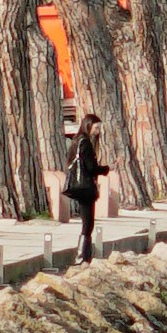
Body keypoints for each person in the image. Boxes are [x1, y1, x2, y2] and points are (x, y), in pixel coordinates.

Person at [63, 105, 105, 263]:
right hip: (85, 187)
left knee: (87, 223)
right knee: (88, 224)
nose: (98, 131)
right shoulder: (85, 143)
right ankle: (82, 256)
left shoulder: (76, 141)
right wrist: (107, 169)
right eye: (96, 128)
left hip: (80, 186)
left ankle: (85, 255)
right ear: (89, 126)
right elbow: (91, 168)